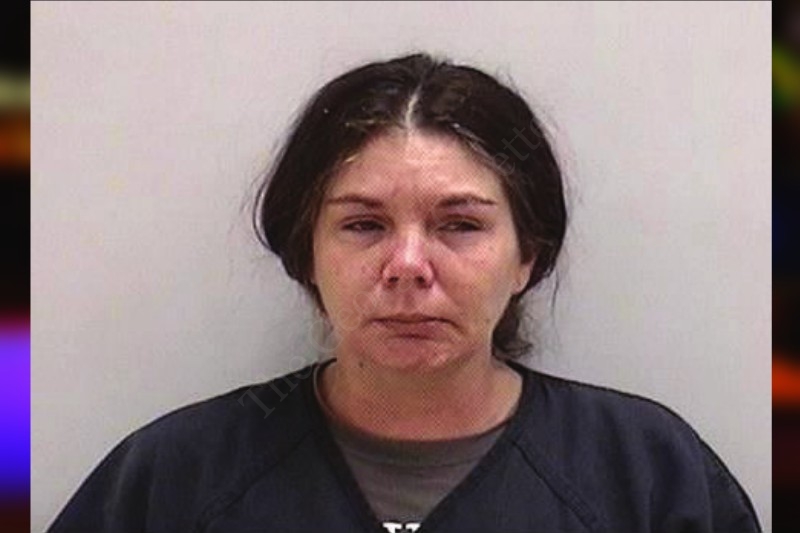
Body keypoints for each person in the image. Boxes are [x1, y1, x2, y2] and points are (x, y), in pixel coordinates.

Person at [48, 53, 761, 533]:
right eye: (363, 224)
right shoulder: (176, 479)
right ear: (307, 253)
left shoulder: (647, 475)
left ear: (526, 257)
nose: (408, 265)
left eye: (460, 224)